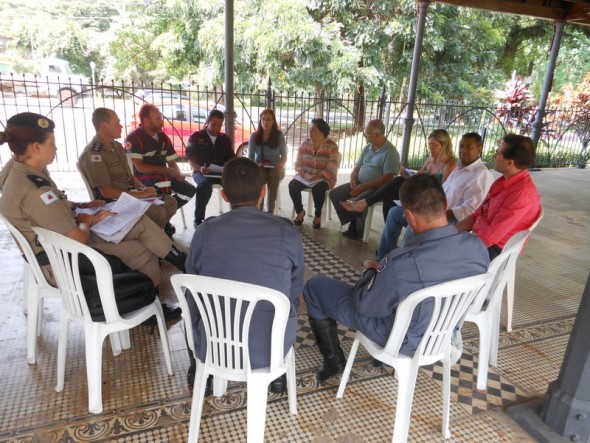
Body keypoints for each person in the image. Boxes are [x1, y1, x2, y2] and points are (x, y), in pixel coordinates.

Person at [303, 173, 489, 381]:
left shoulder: (402, 264)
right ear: (445, 203)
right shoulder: (478, 248)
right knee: (395, 296)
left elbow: (365, 306)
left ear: (408, 216)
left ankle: (334, 362)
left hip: (402, 339)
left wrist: (372, 272)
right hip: (442, 336)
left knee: (315, 286)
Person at [0, 112, 184, 319]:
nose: (56, 148)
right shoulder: (35, 190)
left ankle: (176, 264)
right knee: (142, 251)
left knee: (138, 223)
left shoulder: (18, 170)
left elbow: (55, 208)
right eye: (52, 143)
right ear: (36, 147)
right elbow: (77, 236)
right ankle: (147, 304)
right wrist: (86, 221)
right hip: (62, 260)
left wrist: (83, 206)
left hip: (58, 245)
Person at [186, 157, 304, 394]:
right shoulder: (287, 233)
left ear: (224, 196)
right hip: (270, 346)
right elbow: (295, 287)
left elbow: (192, 286)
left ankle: (203, 373)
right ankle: (276, 376)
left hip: (214, 345)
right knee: (289, 298)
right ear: (263, 191)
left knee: (192, 305)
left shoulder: (204, 232)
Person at [376, 132, 494, 259]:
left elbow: (471, 210)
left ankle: (403, 261)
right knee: (394, 213)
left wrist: (440, 213)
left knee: (414, 223)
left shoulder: (481, 175)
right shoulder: (459, 169)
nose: (463, 150)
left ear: (479, 149)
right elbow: (441, 191)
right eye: (461, 146)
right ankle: (385, 256)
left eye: (469, 147)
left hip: (451, 219)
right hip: (436, 210)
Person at [78, 108, 178, 236]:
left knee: (170, 202)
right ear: (104, 126)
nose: (121, 126)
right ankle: (151, 236)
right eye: (117, 123)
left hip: (129, 195)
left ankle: (152, 235)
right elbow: (106, 192)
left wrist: (144, 191)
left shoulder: (117, 147)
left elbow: (130, 177)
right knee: (158, 212)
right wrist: (140, 195)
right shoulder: (94, 154)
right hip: (113, 203)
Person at [340, 128, 455, 224]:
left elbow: (443, 190)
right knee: (390, 195)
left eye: (434, 145)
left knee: (398, 181)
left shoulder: (449, 165)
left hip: (428, 198)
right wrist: (407, 173)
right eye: (429, 144)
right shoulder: (430, 159)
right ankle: (387, 238)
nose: (430, 148)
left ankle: (365, 203)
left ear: (444, 144)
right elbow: (418, 176)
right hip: (417, 192)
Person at [456, 133, 541, 260]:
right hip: (480, 237)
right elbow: (476, 215)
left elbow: (491, 236)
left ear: (510, 163)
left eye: (498, 153)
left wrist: (455, 247)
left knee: (437, 256)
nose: (494, 156)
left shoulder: (522, 195)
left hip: (494, 250)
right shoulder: (502, 181)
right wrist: (449, 232)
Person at [125, 104, 196, 235]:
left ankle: (164, 218)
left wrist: (177, 173)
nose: (162, 121)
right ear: (146, 121)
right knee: (163, 179)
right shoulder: (134, 138)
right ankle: (164, 221)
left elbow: (171, 161)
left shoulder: (163, 137)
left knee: (189, 190)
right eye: (158, 118)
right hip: (142, 179)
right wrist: (167, 171)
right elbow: (139, 167)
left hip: (163, 177)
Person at [330, 119, 400, 239]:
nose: (364, 136)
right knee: (335, 194)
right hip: (360, 183)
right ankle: (352, 219)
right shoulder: (367, 148)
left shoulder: (390, 152)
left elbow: (388, 177)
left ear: (377, 135)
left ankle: (357, 230)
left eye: (367, 133)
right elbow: (357, 167)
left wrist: (364, 187)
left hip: (377, 188)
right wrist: (353, 180)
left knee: (358, 199)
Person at [186, 109, 235, 227]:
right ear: (208, 122)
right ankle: (198, 219)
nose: (216, 128)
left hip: (220, 173)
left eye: (219, 125)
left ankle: (236, 215)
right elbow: (190, 159)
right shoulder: (196, 136)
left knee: (235, 183)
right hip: (201, 172)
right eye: (214, 124)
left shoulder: (225, 139)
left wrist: (228, 170)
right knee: (204, 184)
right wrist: (200, 168)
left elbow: (231, 159)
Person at [288, 118, 339, 229]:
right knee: (292, 185)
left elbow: (331, 168)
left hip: (325, 178)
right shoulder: (305, 144)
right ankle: (300, 211)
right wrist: (300, 170)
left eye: (313, 130)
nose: (309, 132)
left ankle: (318, 215)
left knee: (319, 188)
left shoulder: (332, 146)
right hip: (306, 177)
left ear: (321, 132)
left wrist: (319, 175)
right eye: (310, 129)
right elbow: (298, 162)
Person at [247, 109, 287, 214]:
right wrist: (256, 165)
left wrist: (281, 163)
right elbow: (250, 157)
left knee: (274, 174)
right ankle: (259, 208)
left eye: (269, 119)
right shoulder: (254, 136)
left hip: (276, 168)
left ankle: (270, 209)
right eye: (263, 119)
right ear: (260, 121)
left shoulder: (279, 135)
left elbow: (284, 156)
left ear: (273, 121)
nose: (265, 122)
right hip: (260, 166)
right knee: (259, 174)